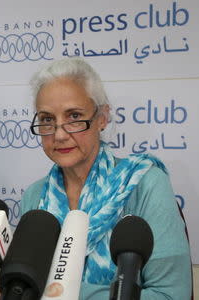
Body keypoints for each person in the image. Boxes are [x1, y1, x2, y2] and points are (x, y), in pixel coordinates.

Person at [19, 57, 192, 299]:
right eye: (47, 119)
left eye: (74, 116)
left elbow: (172, 294)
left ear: (102, 117)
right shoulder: (35, 197)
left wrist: (61, 294)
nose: (59, 134)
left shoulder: (145, 184)